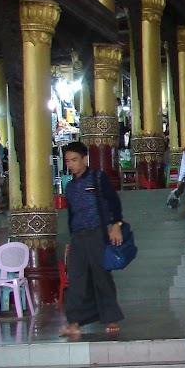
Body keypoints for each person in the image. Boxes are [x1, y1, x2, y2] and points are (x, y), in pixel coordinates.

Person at [60, 141, 125, 337]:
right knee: (76, 279)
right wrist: (71, 240)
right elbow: (71, 214)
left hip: (97, 233)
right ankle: (74, 323)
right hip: (78, 237)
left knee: (101, 276)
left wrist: (116, 225)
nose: (71, 164)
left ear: (84, 159)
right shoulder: (70, 186)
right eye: (67, 161)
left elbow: (114, 202)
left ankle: (111, 317)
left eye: (74, 160)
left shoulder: (98, 178)